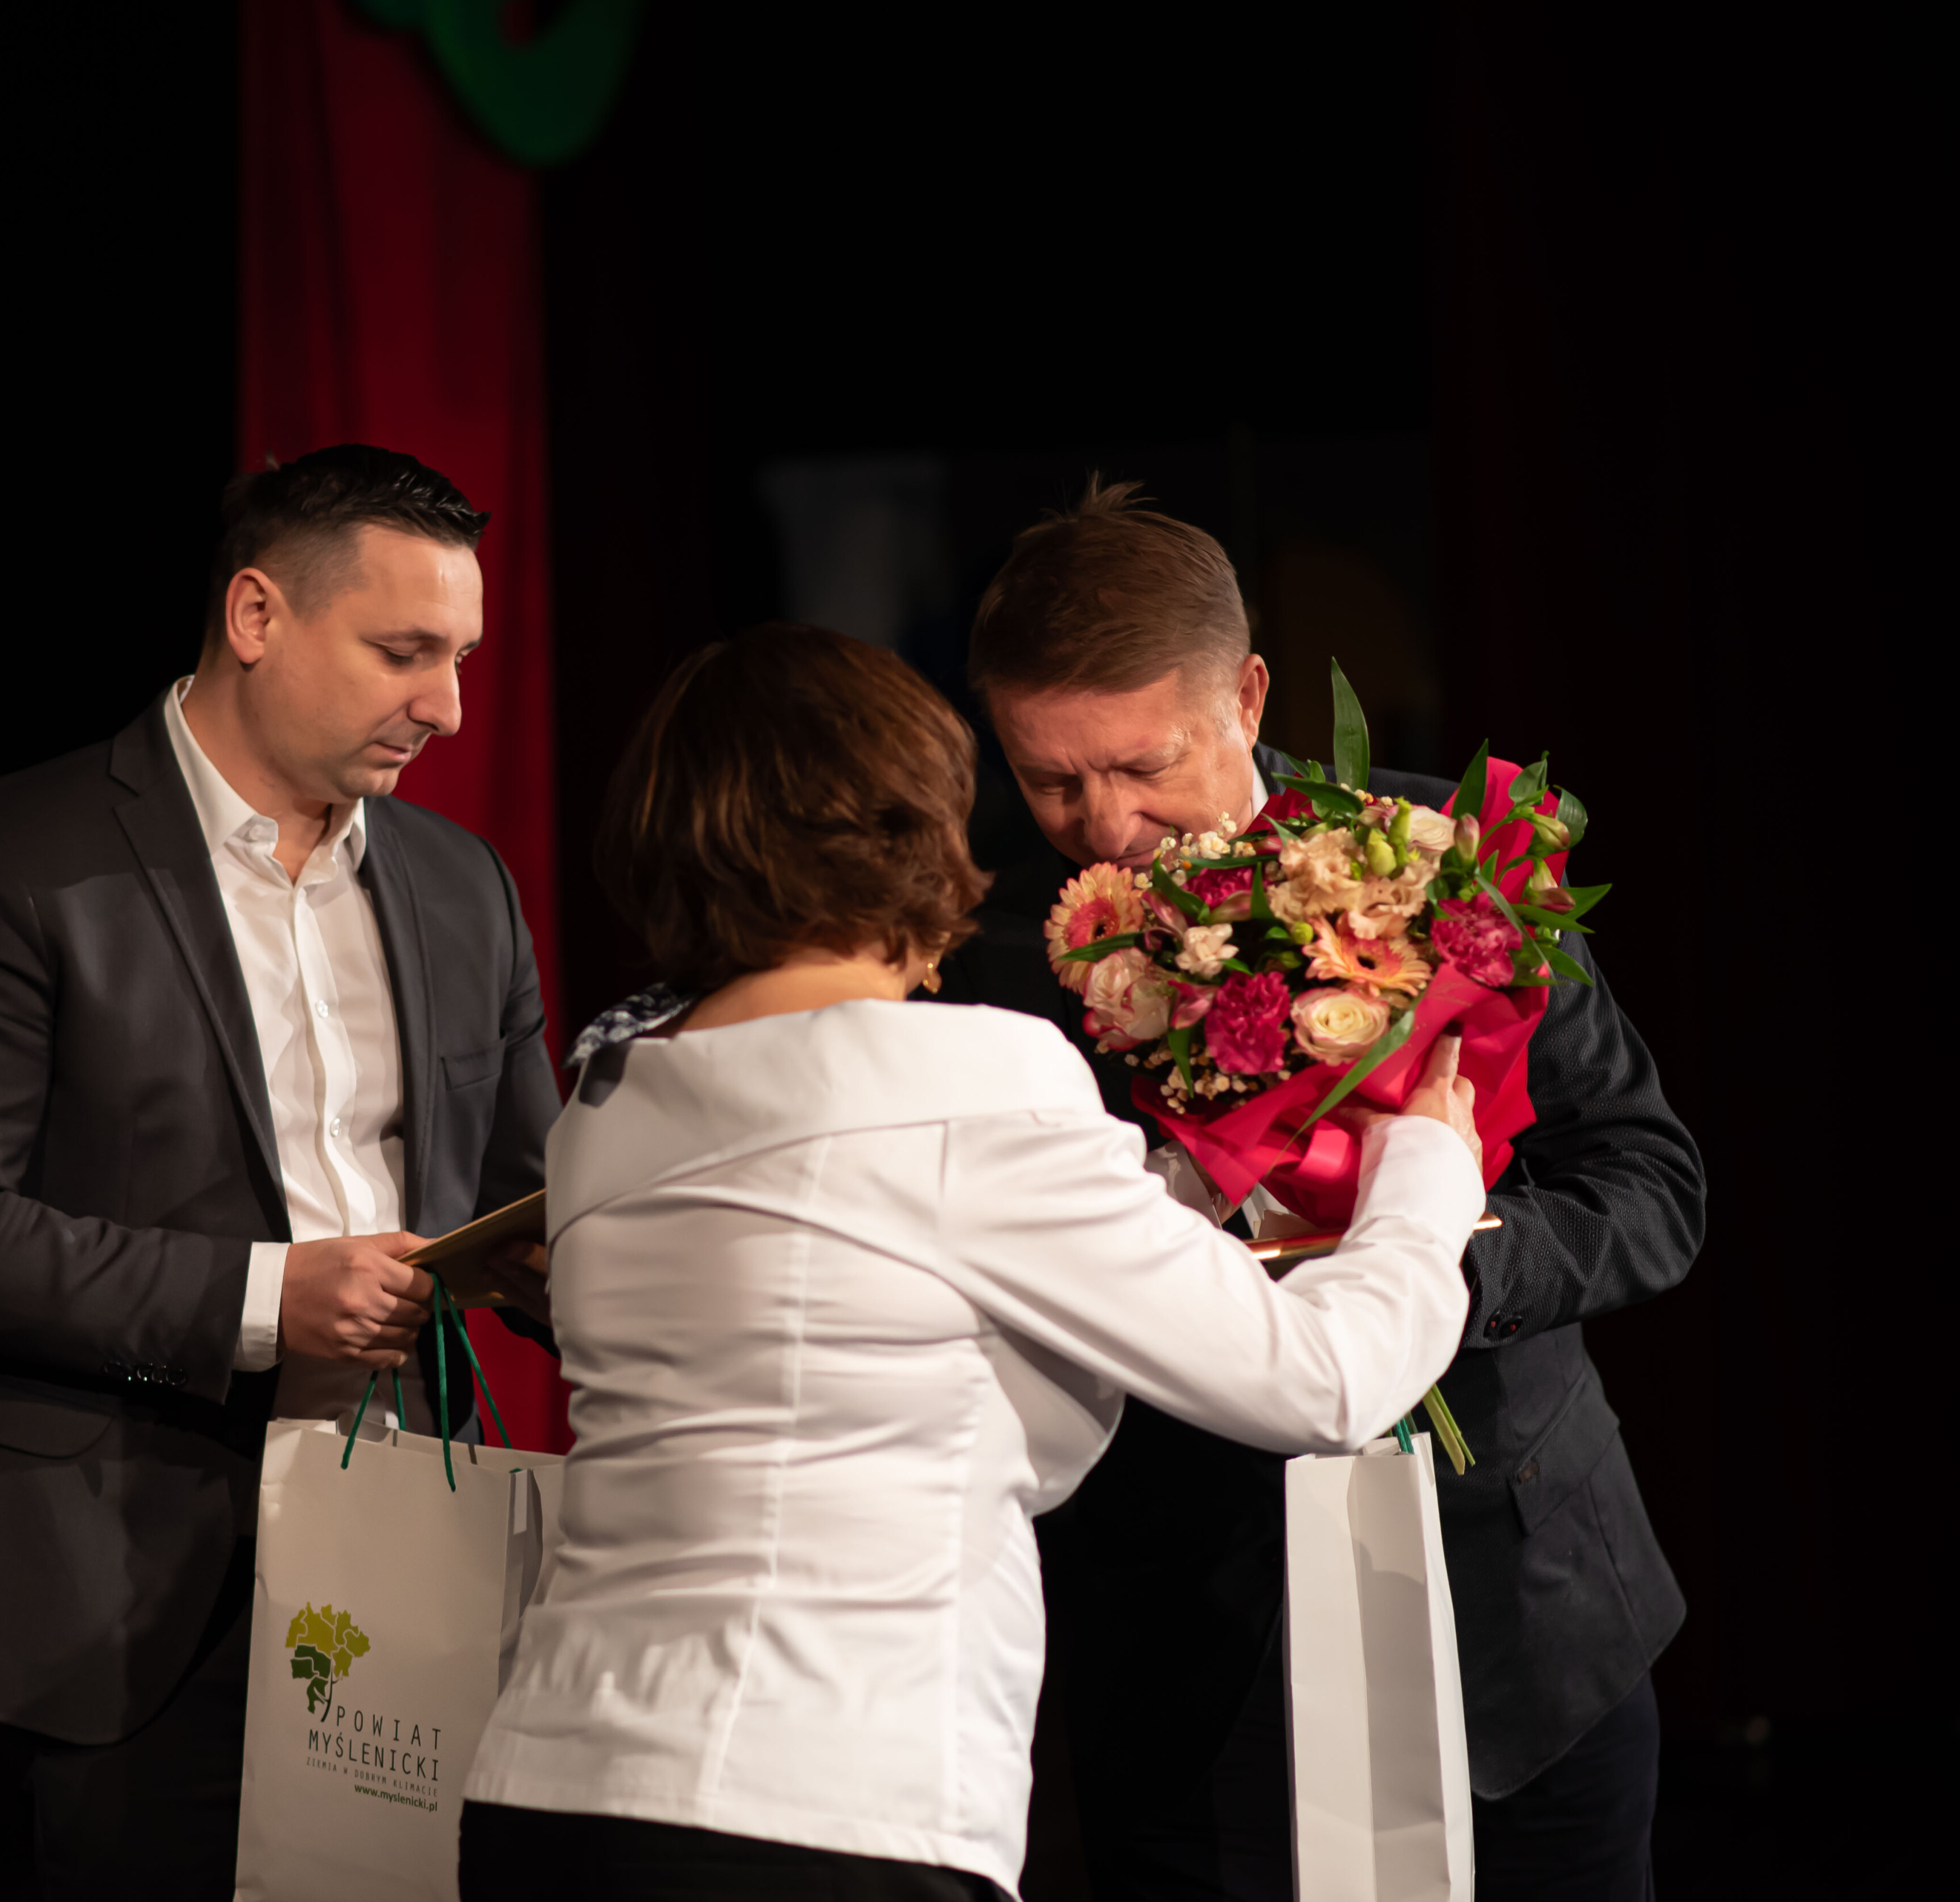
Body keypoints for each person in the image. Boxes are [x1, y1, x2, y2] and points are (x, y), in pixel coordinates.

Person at [459, 625, 1489, 1901]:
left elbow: (885, 1255)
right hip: (819, 1803)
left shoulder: (608, 1110)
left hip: (548, 1790)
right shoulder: (970, 1076)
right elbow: (1320, 1379)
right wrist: (1426, 1167)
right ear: (911, 828)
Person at [941, 480, 1705, 1901]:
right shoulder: (993, 967)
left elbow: (1648, 1185)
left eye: (1142, 764)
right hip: (1187, 1647)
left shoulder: (1446, 867)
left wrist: (1432, 1266)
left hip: (1525, 1618)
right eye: (1050, 781)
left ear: (1245, 696)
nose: (1104, 826)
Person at [0, 444, 559, 1899]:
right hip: (109, 1597)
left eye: (462, 659)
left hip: (401, 1568)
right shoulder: (7, 857)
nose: (447, 706)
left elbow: (531, 1203)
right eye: (403, 652)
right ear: (255, 615)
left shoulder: (458, 880)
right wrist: (265, 1298)